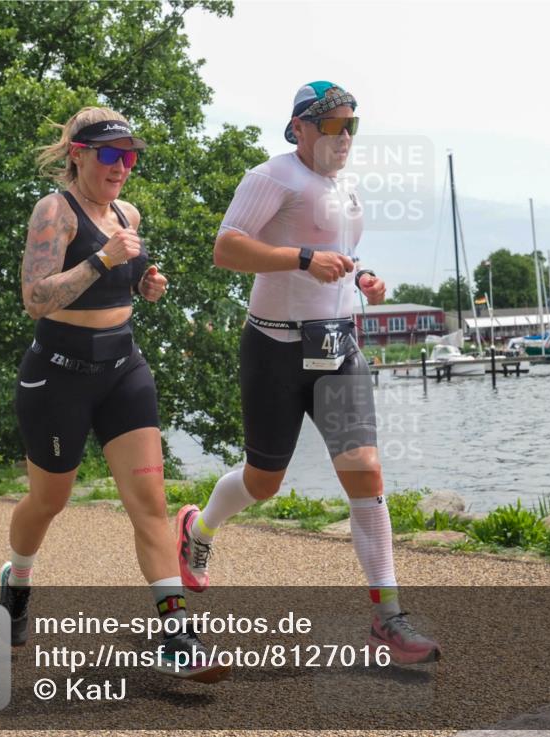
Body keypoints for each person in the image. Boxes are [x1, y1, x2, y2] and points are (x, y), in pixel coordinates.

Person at [175, 82, 441, 664]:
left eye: (352, 126)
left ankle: (388, 617)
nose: (345, 137)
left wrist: (364, 278)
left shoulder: (346, 186)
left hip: (337, 348)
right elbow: (226, 249)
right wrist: (302, 259)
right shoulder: (271, 177)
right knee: (263, 481)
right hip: (274, 349)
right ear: (299, 128)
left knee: (365, 471)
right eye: (333, 126)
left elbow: (335, 255)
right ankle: (198, 529)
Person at [2, 106, 228, 682]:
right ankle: (18, 579)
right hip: (58, 376)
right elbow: (35, 298)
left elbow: (121, 282)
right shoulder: (55, 211)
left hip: (124, 371)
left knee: (149, 502)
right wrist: (104, 259)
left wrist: (146, 283)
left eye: (129, 157)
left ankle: (177, 634)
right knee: (48, 501)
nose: (121, 167)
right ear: (78, 155)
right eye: (109, 154)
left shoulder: (128, 213)